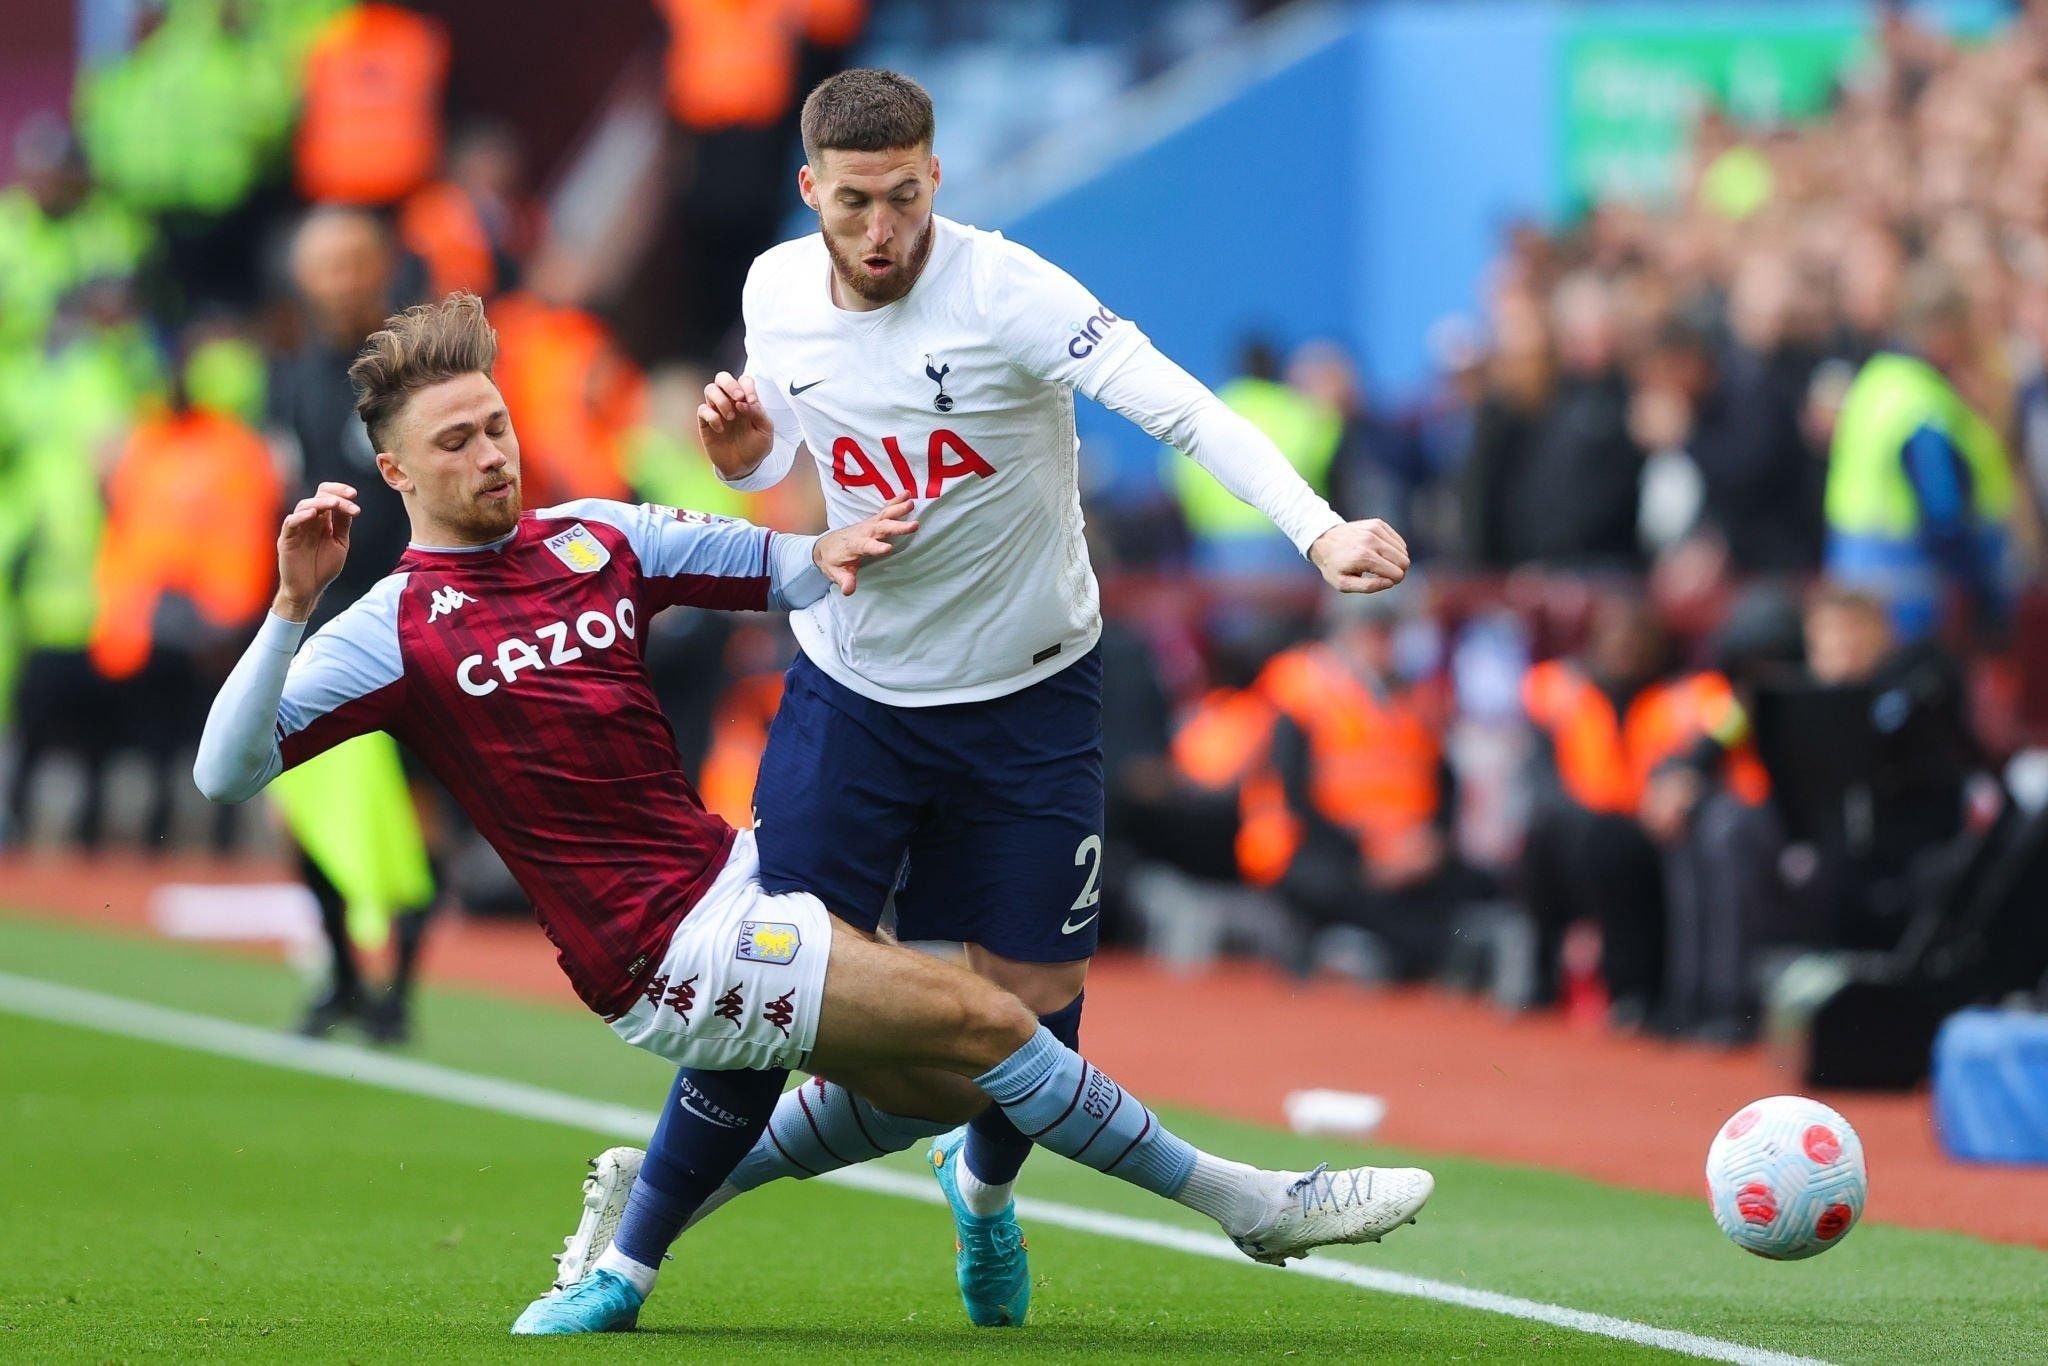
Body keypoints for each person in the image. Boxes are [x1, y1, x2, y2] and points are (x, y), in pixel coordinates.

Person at [189, 292, 1434, 1335]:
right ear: (396, 470)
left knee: (952, 1085)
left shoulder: (594, 537)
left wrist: (855, 525)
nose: (490, 455)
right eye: (455, 441)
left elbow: (790, 566)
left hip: (733, 880)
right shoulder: (391, 627)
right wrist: (291, 608)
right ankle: (1254, 1205)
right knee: (992, 1023)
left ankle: (646, 1209)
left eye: (497, 426)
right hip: (651, 950)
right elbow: (224, 774)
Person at [573, 68, 1411, 1332]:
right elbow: (790, 446)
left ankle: (979, 1189)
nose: (879, 230)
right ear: (809, 191)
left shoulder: (1008, 291)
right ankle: (622, 1266)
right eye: (852, 202)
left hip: (1029, 695)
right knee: (770, 987)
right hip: (854, 692)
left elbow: (1183, 410)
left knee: (1024, 1021)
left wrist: (1317, 529)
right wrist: (745, 455)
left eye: (902, 198)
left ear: (935, 179)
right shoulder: (772, 288)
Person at [268, 208, 438, 1040]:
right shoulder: (292, 374)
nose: (339, 280)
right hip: (326, 617)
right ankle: (339, 975)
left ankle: (397, 991)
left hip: (419, 609)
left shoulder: (419, 372)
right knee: (305, 799)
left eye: (352, 262)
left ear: (381, 268)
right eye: (324, 264)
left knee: (420, 803)